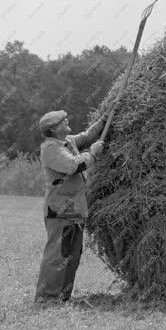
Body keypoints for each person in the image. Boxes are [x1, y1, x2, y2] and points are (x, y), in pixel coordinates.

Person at [34, 109, 108, 302]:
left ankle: (63, 297)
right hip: (60, 211)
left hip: (75, 210)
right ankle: (47, 298)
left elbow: (87, 136)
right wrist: (93, 153)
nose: (67, 121)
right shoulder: (51, 148)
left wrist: (104, 119)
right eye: (62, 121)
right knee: (58, 255)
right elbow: (73, 166)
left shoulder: (68, 141)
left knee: (72, 255)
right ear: (53, 129)